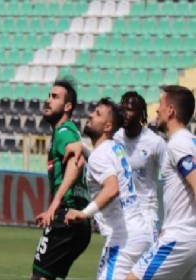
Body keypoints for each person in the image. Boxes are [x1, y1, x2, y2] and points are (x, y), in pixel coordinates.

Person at [64, 98, 152, 280]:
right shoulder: (115, 147)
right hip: (140, 234)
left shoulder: (100, 155)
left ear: (107, 127)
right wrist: (83, 148)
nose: (90, 115)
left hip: (122, 239)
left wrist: (84, 214)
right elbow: (100, 161)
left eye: (97, 114)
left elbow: (112, 188)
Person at [127, 85, 196, 280]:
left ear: (171, 110)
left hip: (179, 238)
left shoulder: (179, 143)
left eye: (160, 104)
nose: (157, 110)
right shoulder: (190, 141)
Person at [31, 79, 91, 280]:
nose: (48, 101)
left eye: (55, 97)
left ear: (68, 106)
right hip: (76, 223)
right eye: (49, 96)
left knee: (39, 277)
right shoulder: (70, 132)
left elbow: (77, 163)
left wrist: (53, 207)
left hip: (66, 219)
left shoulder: (64, 132)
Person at [113, 91, 166, 240]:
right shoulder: (116, 138)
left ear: (141, 114)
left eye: (129, 109)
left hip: (146, 215)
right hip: (122, 214)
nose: (125, 113)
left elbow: (170, 179)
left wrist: (168, 222)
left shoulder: (155, 142)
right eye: (123, 109)